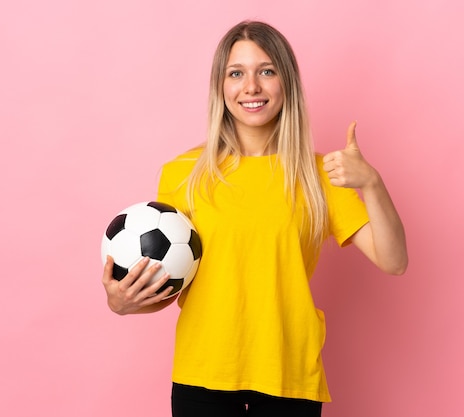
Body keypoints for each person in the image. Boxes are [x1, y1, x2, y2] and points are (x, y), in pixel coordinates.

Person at [102, 20, 408, 417]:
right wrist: (122, 302)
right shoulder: (183, 174)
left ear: (286, 83)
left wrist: (372, 183)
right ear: (221, 87)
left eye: (266, 71)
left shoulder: (319, 175)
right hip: (203, 375)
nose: (251, 87)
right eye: (236, 73)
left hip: (288, 375)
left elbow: (395, 261)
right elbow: (170, 285)